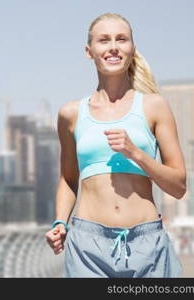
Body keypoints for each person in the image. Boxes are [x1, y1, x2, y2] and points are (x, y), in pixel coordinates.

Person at [45, 13, 185, 277]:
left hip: (148, 246)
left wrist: (136, 154)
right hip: (88, 246)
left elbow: (178, 186)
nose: (113, 47)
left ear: (132, 48)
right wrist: (60, 222)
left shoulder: (154, 107)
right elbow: (68, 178)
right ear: (89, 51)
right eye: (103, 40)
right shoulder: (70, 114)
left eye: (121, 39)